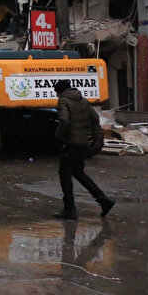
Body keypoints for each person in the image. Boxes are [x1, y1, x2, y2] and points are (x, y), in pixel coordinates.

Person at [52, 79, 114, 220]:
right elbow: (95, 117)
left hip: (70, 144)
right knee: (78, 173)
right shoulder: (83, 100)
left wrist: (59, 136)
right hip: (81, 143)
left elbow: (64, 120)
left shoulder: (63, 101)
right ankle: (103, 200)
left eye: (56, 92)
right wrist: (92, 136)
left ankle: (70, 209)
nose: (56, 95)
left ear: (60, 91)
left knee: (65, 175)